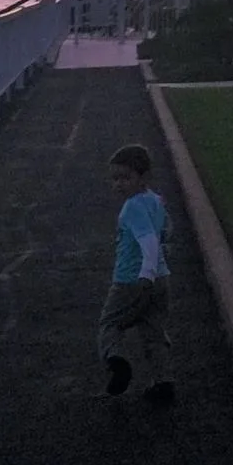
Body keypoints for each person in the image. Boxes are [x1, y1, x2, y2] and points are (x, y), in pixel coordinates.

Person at [98, 143, 174, 404]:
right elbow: (166, 233)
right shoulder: (156, 201)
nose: (119, 184)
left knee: (110, 324)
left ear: (143, 177)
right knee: (154, 332)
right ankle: (162, 382)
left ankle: (117, 361)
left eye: (125, 178)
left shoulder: (132, 207)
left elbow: (150, 240)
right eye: (115, 179)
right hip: (161, 279)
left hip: (132, 280)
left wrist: (145, 273)